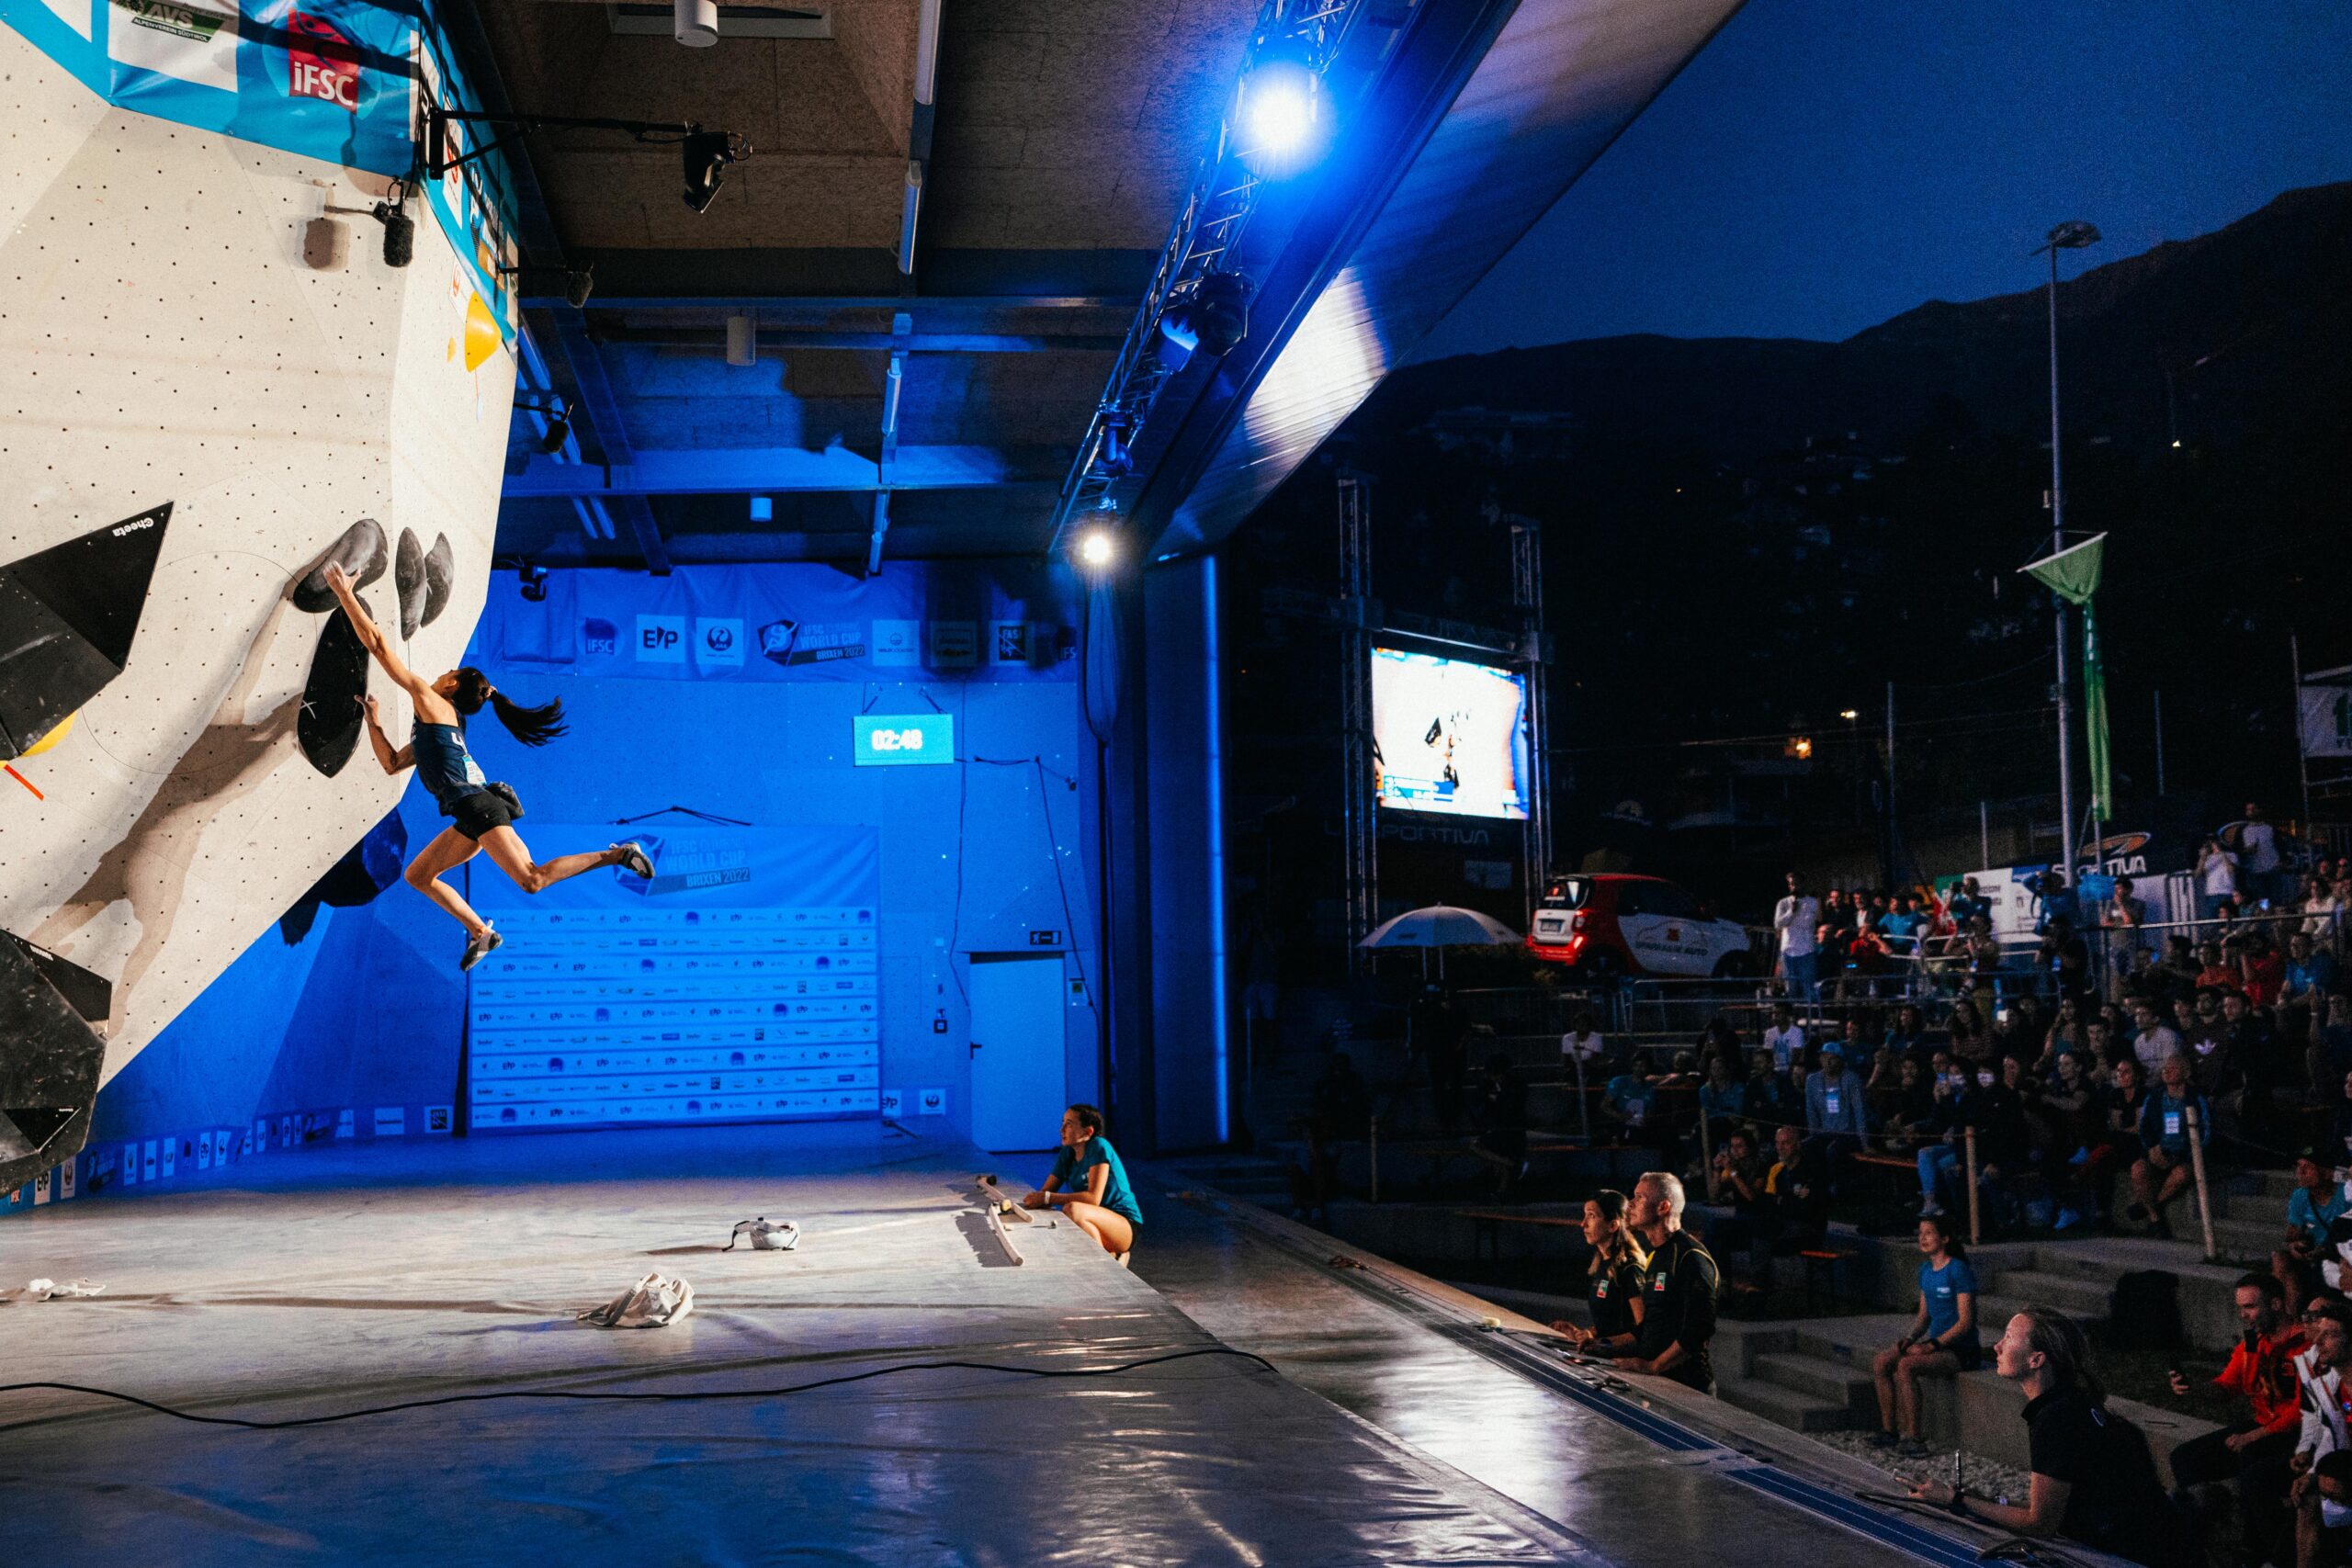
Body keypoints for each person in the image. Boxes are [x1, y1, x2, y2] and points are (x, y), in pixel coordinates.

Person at [324, 563, 653, 969]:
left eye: (447, 673)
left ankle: (619, 855)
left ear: (451, 685)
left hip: (478, 807)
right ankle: (481, 932)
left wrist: (345, 594)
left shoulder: (433, 703)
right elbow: (393, 764)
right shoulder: (439, 726)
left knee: (532, 879)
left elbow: (377, 645)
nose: (439, 674)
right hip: (471, 812)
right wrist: (373, 723)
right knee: (418, 876)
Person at [1906, 1309, 2189, 1567]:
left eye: (2008, 1338)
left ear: (2036, 1359)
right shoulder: (2072, 1401)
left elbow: (2040, 1524)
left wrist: (1953, 1498)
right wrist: (1992, 1502)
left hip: (2136, 1556)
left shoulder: (2056, 1419)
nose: (1997, 1346)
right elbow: (2057, 1508)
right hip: (2154, 1542)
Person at [2165, 1272, 2308, 1565]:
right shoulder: (2253, 1342)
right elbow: (2227, 1386)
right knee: (2185, 1458)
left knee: (2251, 1462)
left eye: (2250, 1307)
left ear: (2276, 1304)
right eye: (2240, 1308)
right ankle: (2207, 1539)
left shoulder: (2304, 1343)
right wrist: (2194, 1387)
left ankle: (2264, 1550)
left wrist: (2253, 1436)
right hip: (2263, 1424)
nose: (2243, 1315)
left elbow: (2303, 1409)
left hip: (2297, 1431)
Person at [1869, 1214, 1979, 1457]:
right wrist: (1910, 1339)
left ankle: (1915, 1438)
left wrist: (1932, 1345)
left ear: (1945, 1238)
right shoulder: (1926, 1270)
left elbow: (1965, 1322)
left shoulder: (1958, 1270)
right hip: (1936, 1344)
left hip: (1960, 1349)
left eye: (1929, 1233)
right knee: (1881, 1361)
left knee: (1906, 1366)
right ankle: (1889, 1431)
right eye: (1920, 1233)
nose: (1922, 1238)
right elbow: (1923, 1316)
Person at [1620, 1171, 1720, 1393]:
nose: (1631, 1204)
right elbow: (1652, 1324)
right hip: (1657, 1380)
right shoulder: (1655, 1255)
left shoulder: (1691, 1256)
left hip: (1687, 1387)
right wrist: (1604, 1344)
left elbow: (1699, 1329)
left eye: (1640, 1198)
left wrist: (1654, 1366)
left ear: (1663, 1207)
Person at [1022, 1102, 1142, 1259]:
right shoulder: (1067, 1153)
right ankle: (1111, 1256)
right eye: (1063, 1123)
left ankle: (1108, 1262)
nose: (1062, 1130)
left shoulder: (1099, 1146)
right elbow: (1045, 1193)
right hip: (1094, 1221)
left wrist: (1047, 1198)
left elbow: (1093, 1199)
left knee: (1072, 1210)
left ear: (1088, 1132)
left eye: (1069, 1124)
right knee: (1069, 1215)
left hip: (1124, 1225)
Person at [1548, 1190, 1647, 1356]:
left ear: (1613, 1225)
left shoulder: (1630, 1269)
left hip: (1624, 1362)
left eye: (1592, 1216)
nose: (1583, 1224)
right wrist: (1584, 1334)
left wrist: (1603, 1343)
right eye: (1585, 1215)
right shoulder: (1604, 1264)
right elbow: (1613, 1324)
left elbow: (1645, 1330)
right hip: (1607, 1357)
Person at [2131, 1052, 2212, 1237]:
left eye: (2173, 1068)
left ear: (2186, 1072)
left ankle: (2149, 1206)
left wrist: (2184, 1155)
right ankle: (2155, 1218)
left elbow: (2205, 1133)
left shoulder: (2195, 1099)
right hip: (2158, 1152)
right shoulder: (2154, 1097)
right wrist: (2152, 1148)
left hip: (2182, 1156)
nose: (2167, 1071)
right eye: (2165, 1068)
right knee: (2138, 1169)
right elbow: (2144, 1127)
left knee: (2182, 1174)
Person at [1775, 873, 1822, 1000]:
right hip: (1788, 950)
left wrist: (1790, 920)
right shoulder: (1783, 903)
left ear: (1803, 884)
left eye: (1796, 883)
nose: (1794, 886)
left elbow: (1807, 923)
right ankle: (1793, 1011)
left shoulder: (1812, 902)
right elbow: (1778, 923)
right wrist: (1791, 912)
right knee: (1791, 987)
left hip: (1806, 950)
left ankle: (1811, 1011)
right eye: (1791, 884)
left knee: (1808, 987)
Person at [2199, 834, 2244, 923]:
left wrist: (2222, 854)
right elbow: (2200, 872)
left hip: (2227, 892)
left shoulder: (2231, 855)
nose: (2214, 844)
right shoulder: (2209, 858)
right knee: (2212, 921)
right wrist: (2203, 857)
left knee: (2229, 920)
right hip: (2212, 893)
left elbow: (2231, 870)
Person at [1761, 1001, 1807, 1074]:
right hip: (1774, 1072)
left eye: (1778, 1013)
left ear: (1787, 1015)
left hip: (1791, 1071)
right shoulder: (1770, 1033)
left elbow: (1796, 1057)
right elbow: (1767, 1056)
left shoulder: (1797, 1032)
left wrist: (1787, 1074)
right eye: (1773, 1013)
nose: (1775, 1016)